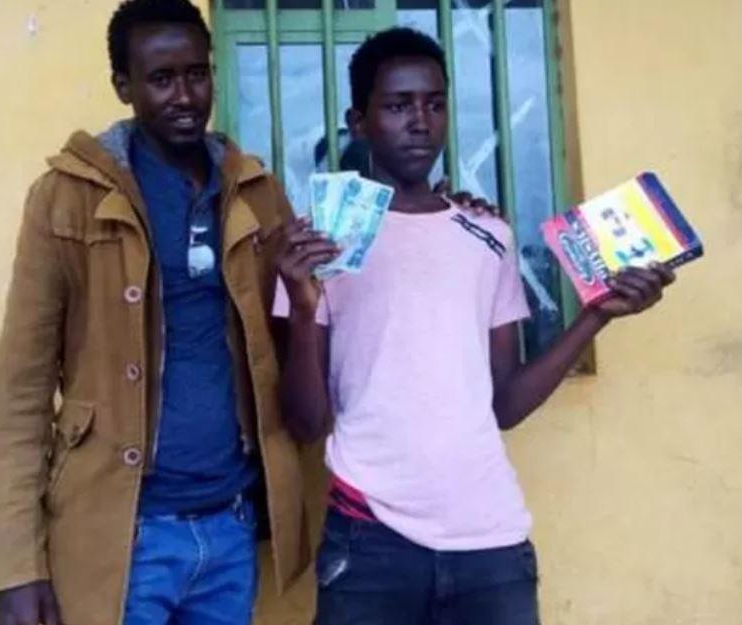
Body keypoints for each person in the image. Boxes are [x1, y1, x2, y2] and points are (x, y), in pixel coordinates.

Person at [275, 27, 676, 625]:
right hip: (369, 539)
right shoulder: (323, 242)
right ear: (358, 122)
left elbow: (504, 403)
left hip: (490, 542)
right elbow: (306, 422)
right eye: (398, 106)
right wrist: (303, 307)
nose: (420, 122)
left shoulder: (488, 236)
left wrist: (595, 315)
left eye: (434, 104)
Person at [0, 1, 310, 624]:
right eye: (161, 79)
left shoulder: (255, 193)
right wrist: (17, 564)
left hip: (229, 529)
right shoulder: (68, 199)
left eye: (197, 74)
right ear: (123, 86)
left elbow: (297, 340)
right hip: (121, 538)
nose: (185, 96)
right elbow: (19, 393)